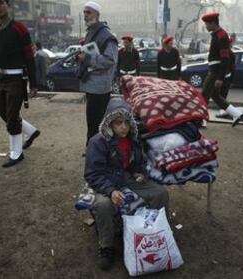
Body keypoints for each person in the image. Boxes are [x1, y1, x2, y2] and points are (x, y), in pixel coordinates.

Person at [84, 98, 169, 270]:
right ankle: (106, 246)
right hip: (106, 180)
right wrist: (110, 190)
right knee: (102, 204)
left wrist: (140, 173)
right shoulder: (97, 142)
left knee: (161, 193)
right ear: (109, 124)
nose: (123, 127)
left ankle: (158, 233)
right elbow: (92, 173)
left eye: (126, 123)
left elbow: (137, 163)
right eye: (118, 123)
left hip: (126, 177)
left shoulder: (133, 138)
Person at [0, 0, 40, 167]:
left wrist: (33, 84)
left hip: (16, 79)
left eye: (0, 3)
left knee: (11, 117)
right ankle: (31, 131)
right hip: (1, 78)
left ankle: (16, 153)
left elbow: (29, 57)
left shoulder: (20, 28)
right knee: (3, 113)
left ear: (8, 5)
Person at [77, 1, 118, 146]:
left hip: (100, 88)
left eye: (88, 12)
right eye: (84, 12)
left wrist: (87, 58)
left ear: (97, 14)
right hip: (92, 86)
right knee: (92, 121)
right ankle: (93, 148)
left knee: (97, 122)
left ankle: (96, 150)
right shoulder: (91, 32)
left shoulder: (106, 35)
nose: (85, 15)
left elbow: (110, 60)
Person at [201, 12, 243, 127]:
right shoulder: (217, 34)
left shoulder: (221, 35)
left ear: (213, 23)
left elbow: (225, 58)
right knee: (215, 96)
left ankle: (201, 120)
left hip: (215, 71)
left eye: (207, 24)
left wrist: (220, 77)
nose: (206, 27)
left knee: (204, 94)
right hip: (215, 69)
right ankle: (236, 114)